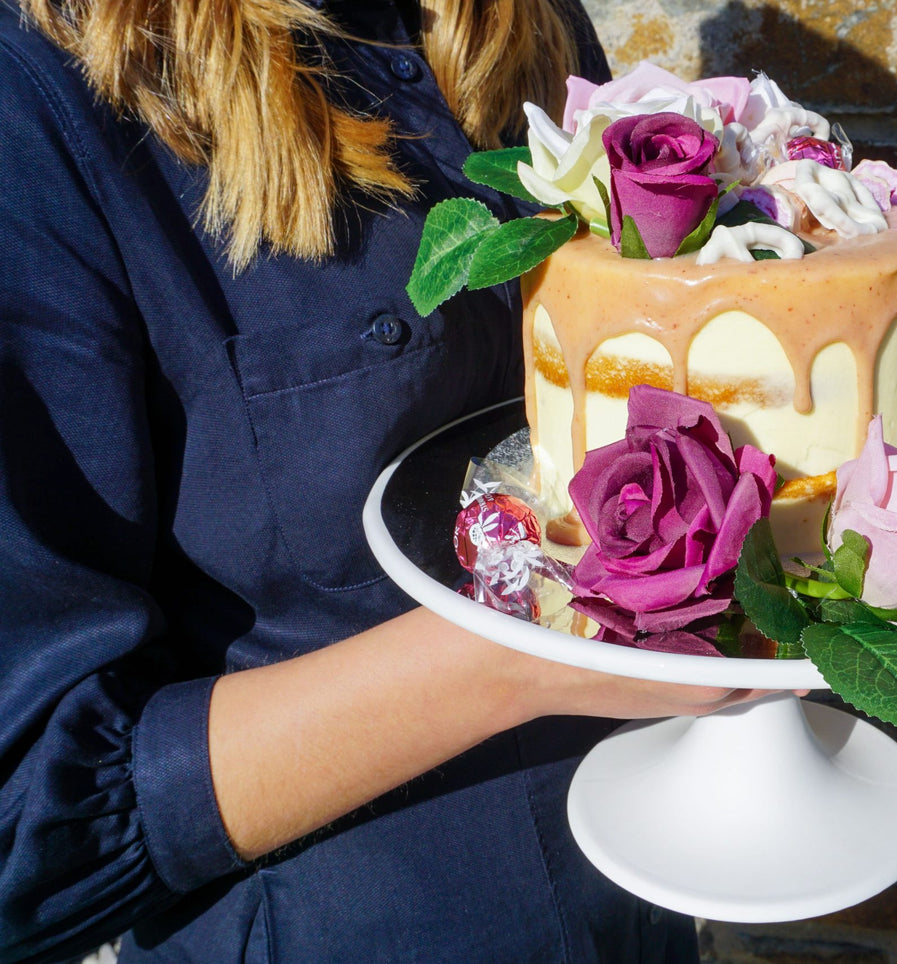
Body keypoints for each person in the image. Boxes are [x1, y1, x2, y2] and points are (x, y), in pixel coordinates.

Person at [0, 1, 767, 960]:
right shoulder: (38, 93)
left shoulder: (525, 25)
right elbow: (27, 837)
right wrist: (528, 652)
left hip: (639, 910)